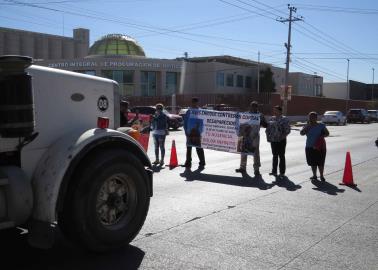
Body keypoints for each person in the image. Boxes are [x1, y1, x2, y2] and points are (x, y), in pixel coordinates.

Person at [235, 101, 267, 176]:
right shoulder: (246, 114)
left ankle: (256, 169)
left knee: (255, 153)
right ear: (250, 107)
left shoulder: (260, 115)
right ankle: (242, 167)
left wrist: (266, 123)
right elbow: (240, 122)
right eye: (252, 106)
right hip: (245, 135)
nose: (253, 108)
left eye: (255, 106)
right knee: (244, 152)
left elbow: (265, 124)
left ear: (257, 107)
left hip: (255, 136)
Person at [300, 111, 329, 181]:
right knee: (312, 162)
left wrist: (320, 137)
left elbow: (327, 133)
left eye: (313, 117)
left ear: (316, 118)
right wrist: (307, 127)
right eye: (310, 117)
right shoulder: (307, 126)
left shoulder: (321, 125)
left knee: (320, 162)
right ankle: (314, 175)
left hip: (320, 147)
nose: (311, 118)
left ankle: (321, 176)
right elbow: (301, 133)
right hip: (309, 146)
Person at [265, 105, 291, 178]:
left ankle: (282, 172)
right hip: (273, 140)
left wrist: (283, 137)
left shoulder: (285, 119)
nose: (274, 112)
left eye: (276, 110)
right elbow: (268, 129)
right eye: (274, 110)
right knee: (274, 155)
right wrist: (268, 137)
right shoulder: (272, 118)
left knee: (281, 156)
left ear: (280, 111)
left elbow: (288, 130)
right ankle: (274, 171)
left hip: (281, 140)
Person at [184, 97, 205, 169]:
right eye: (193, 102)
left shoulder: (200, 111)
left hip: (197, 133)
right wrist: (186, 131)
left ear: (197, 103)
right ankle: (188, 163)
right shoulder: (188, 111)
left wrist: (201, 132)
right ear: (191, 102)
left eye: (195, 102)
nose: (194, 103)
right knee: (189, 148)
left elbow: (202, 122)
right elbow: (185, 122)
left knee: (199, 148)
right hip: (189, 132)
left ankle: (202, 162)